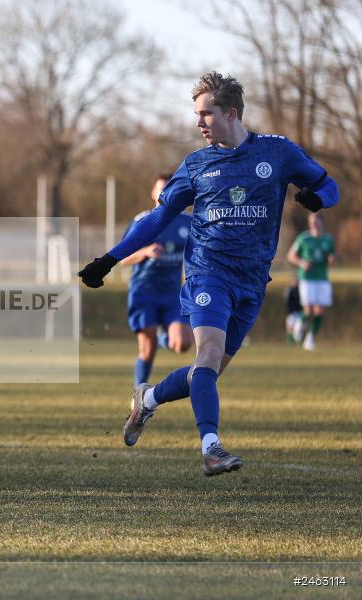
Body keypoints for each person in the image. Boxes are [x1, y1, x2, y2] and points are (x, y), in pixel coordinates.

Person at [78, 71, 339, 476]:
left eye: (206, 114)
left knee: (207, 372)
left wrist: (317, 198)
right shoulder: (196, 165)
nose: (198, 123)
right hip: (206, 274)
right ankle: (211, 447)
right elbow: (157, 219)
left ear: (231, 113)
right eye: (197, 114)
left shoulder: (277, 153)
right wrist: (110, 258)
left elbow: (330, 187)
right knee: (208, 355)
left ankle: (146, 400)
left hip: (252, 283)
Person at [119, 174, 192, 386]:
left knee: (183, 344)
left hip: (172, 293)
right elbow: (122, 257)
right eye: (160, 190)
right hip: (144, 291)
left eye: (167, 191)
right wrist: (145, 251)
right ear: (153, 193)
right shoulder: (142, 221)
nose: (163, 195)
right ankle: (138, 394)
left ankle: (163, 340)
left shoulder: (188, 222)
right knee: (147, 349)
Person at [286, 213, 335, 351]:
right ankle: (298, 326)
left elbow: (332, 256)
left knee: (319, 310)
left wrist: (331, 259)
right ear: (309, 223)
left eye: (317, 222)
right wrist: (302, 262)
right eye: (312, 222)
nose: (315, 224)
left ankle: (310, 338)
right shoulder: (304, 239)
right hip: (307, 279)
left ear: (322, 222)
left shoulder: (328, 240)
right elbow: (291, 256)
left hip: (322, 278)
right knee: (308, 310)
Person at [283, 279, 304, 345]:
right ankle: (290, 342)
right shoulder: (289, 290)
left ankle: (299, 342)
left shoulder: (300, 290)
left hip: (299, 312)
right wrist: (288, 312)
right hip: (291, 312)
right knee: (290, 326)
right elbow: (286, 302)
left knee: (300, 327)